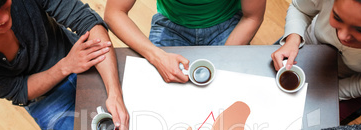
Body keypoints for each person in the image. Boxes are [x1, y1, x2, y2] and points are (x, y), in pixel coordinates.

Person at [0, 0, 129, 130]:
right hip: (43, 96)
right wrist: (65, 66)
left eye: (4, 5)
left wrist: (114, 93)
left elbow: (86, 20)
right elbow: (19, 90)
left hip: (76, 53)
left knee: (132, 103)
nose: (3, 18)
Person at [271, 0, 361, 122]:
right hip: (303, 46)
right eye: (337, 17)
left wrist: (331, 92)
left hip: (349, 82)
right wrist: (293, 39)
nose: (342, 36)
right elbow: (300, 8)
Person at [104, 0, 266, 83]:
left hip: (226, 24)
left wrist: (224, 59)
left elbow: (252, 17)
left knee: (233, 90)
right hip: (171, 24)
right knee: (157, 92)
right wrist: (157, 57)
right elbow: (114, 13)